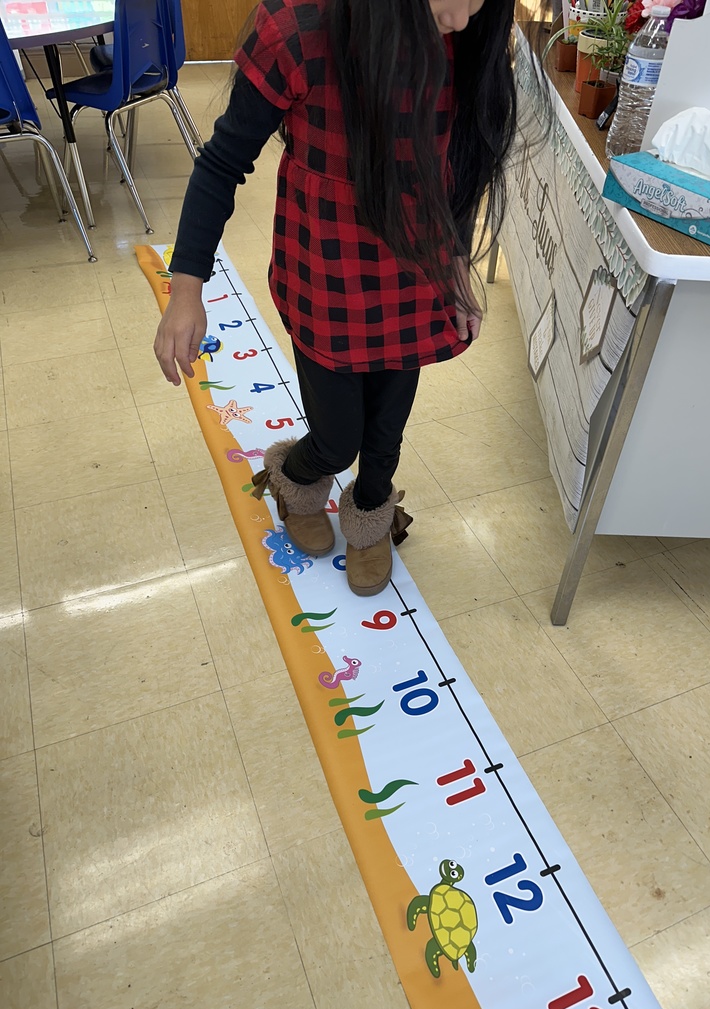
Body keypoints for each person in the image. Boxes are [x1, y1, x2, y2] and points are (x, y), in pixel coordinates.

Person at [153, 0, 517, 597]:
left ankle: (371, 513)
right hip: (326, 278)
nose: (463, 18)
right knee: (338, 437)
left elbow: (458, 165)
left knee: (386, 432)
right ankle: (295, 481)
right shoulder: (299, 31)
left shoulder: (466, 36)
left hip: (412, 278)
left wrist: (456, 267)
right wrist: (187, 287)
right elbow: (221, 162)